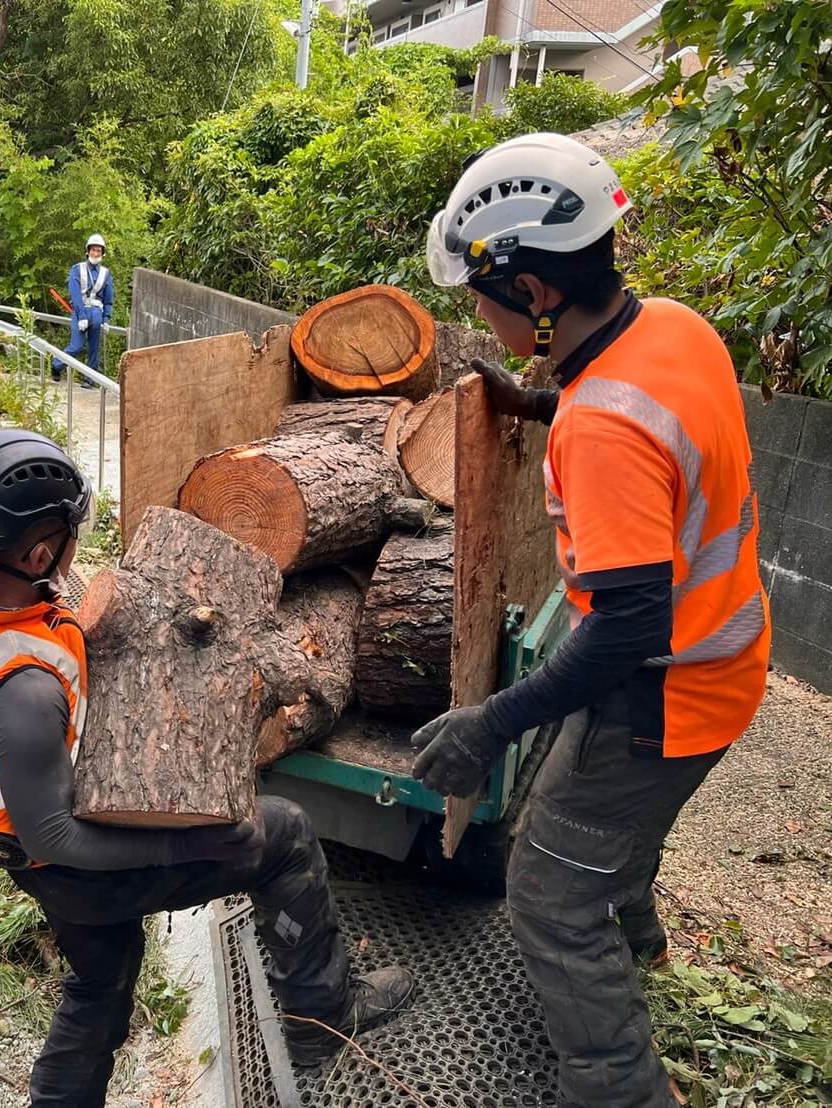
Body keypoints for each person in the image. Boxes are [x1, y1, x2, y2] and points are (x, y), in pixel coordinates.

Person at [413, 132, 770, 1107]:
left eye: (480, 292)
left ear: (532, 292)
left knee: (547, 893)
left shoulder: (603, 425)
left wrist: (489, 722)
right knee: (602, 828)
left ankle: (616, 1084)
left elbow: (619, 634)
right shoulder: (674, 328)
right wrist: (528, 399)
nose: (470, 312)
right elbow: (639, 411)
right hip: (723, 653)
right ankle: (641, 937)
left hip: (663, 693)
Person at [0, 429, 413, 1107]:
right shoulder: (25, 694)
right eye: (67, 535)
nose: (72, 548)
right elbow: (54, 838)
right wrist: (194, 839)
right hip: (66, 866)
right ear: (38, 550)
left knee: (100, 988)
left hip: (42, 859)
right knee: (286, 834)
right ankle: (323, 1020)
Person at [55, 234, 114, 386]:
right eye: (93, 250)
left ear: (102, 253)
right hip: (80, 311)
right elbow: (74, 294)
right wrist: (81, 315)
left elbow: (108, 299)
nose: (96, 253)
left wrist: (106, 319)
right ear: (88, 251)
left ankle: (89, 379)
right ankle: (56, 365)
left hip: (96, 313)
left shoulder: (106, 274)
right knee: (77, 346)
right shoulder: (77, 269)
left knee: (94, 348)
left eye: (99, 251)